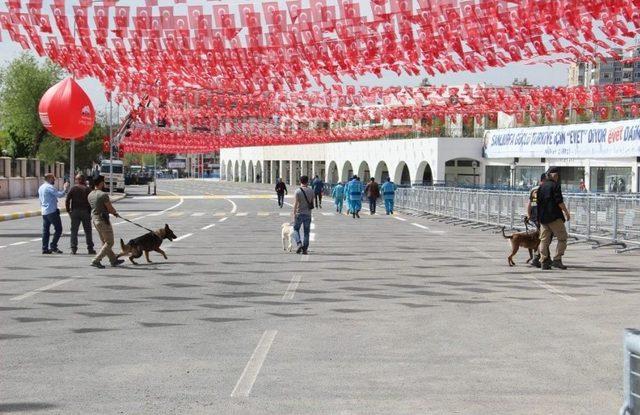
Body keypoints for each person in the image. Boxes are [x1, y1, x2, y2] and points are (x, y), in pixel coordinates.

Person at [537, 167, 570, 270]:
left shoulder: (541, 187)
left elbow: (537, 203)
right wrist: (566, 212)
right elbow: (559, 201)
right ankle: (557, 259)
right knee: (562, 238)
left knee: (544, 240)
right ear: (555, 175)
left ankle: (544, 261)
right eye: (557, 175)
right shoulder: (555, 186)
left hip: (543, 218)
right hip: (554, 217)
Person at [88, 175, 125, 269]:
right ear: (100, 183)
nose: (104, 183)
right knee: (109, 242)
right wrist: (115, 213)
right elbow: (109, 208)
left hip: (95, 219)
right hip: (103, 220)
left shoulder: (90, 194)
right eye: (103, 182)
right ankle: (96, 260)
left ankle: (113, 260)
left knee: (104, 241)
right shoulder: (103, 195)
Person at [38, 173, 70, 254]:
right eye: (53, 178)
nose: (54, 180)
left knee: (46, 230)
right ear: (48, 178)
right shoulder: (49, 187)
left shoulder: (41, 187)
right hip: (52, 211)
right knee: (58, 229)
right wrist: (65, 188)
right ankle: (53, 246)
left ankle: (44, 248)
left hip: (44, 211)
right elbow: (59, 195)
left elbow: (41, 200)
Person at [66, 174, 95, 255]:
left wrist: (69, 211)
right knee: (88, 231)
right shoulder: (87, 189)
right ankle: (90, 248)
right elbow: (92, 201)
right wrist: (91, 212)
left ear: (77, 180)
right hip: (85, 212)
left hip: (75, 212)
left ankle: (73, 249)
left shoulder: (73, 188)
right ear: (84, 180)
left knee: (74, 231)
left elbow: (67, 200)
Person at [527, 173, 547, 268]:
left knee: (541, 238)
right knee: (543, 238)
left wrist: (529, 215)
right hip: (541, 217)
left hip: (535, 217)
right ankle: (538, 258)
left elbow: (530, 204)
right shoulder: (544, 189)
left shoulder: (534, 189)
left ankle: (540, 257)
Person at [291, 175, 314, 255]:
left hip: (299, 213)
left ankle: (299, 243)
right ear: (307, 181)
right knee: (306, 232)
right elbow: (311, 202)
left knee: (295, 229)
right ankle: (305, 249)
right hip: (308, 214)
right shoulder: (311, 191)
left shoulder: (297, 191)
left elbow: (296, 203)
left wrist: (294, 213)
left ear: (300, 181)